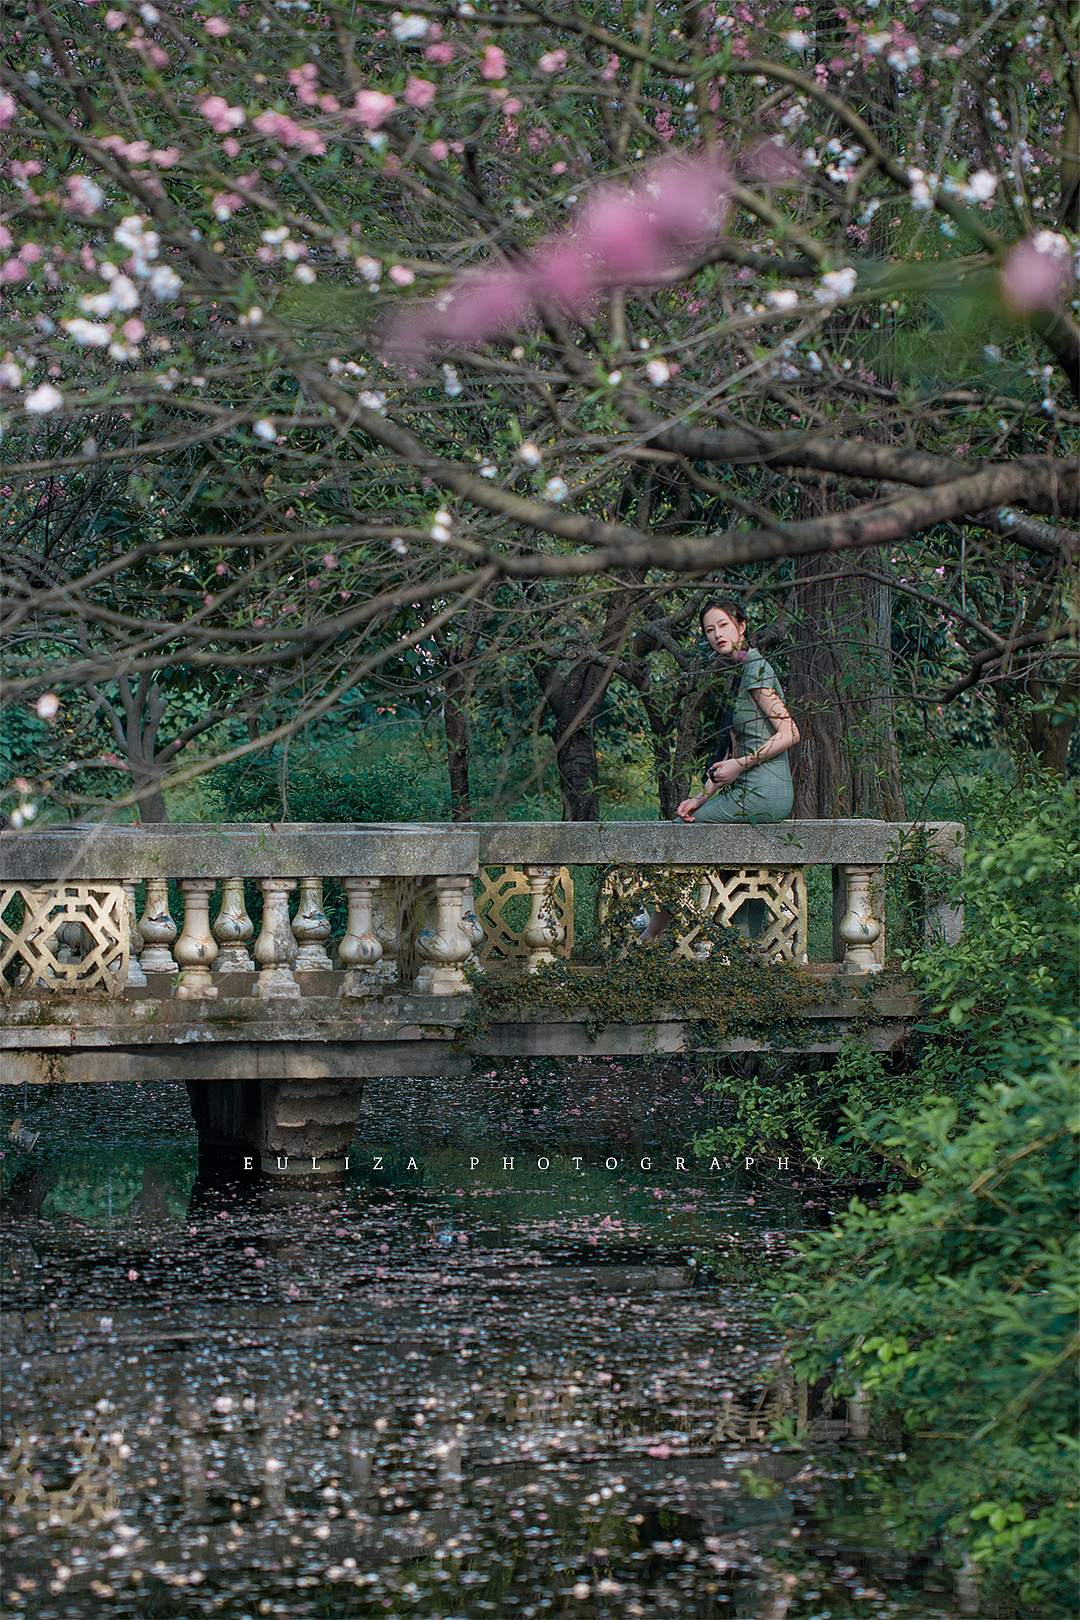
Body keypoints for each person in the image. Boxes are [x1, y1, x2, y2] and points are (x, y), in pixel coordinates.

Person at [640, 597, 799, 940]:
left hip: (763, 792)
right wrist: (701, 797)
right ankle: (747, 941)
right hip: (752, 790)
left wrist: (740, 767)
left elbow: (791, 732)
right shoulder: (739, 672)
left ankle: (651, 935)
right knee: (739, 860)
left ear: (742, 626)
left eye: (723, 625)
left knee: (679, 835)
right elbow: (732, 752)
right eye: (709, 630)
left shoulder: (756, 666)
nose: (716, 634)